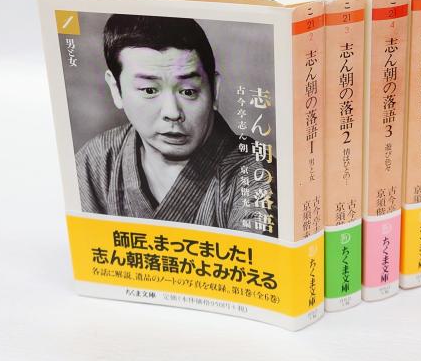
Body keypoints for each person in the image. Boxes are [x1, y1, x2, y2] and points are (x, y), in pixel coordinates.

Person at [75, 14, 277, 237]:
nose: (172, 113)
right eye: (149, 90)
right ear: (116, 89)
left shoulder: (254, 175)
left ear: (214, 89)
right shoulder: (97, 161)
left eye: (188, 91)